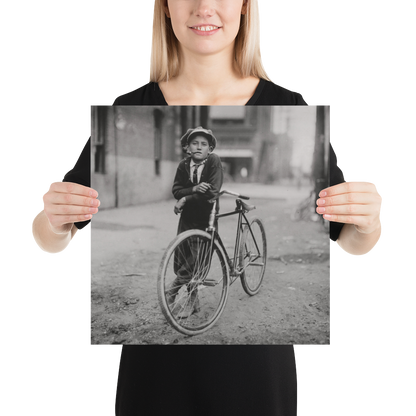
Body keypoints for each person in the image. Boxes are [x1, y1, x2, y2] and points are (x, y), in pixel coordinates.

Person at [168, 126, 223, 318]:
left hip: (206, 216)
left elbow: (212, 192)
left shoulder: (214, 161)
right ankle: (194, 302)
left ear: (210, 148)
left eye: (204, 144)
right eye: (194, 143)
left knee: (197, 260)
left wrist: (186, 198)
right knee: (183, 256)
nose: (199, 147)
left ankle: (172, 290)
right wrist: (193, 189)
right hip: (187, 218)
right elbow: (176, 190)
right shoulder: (184, 165)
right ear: (187, 147)